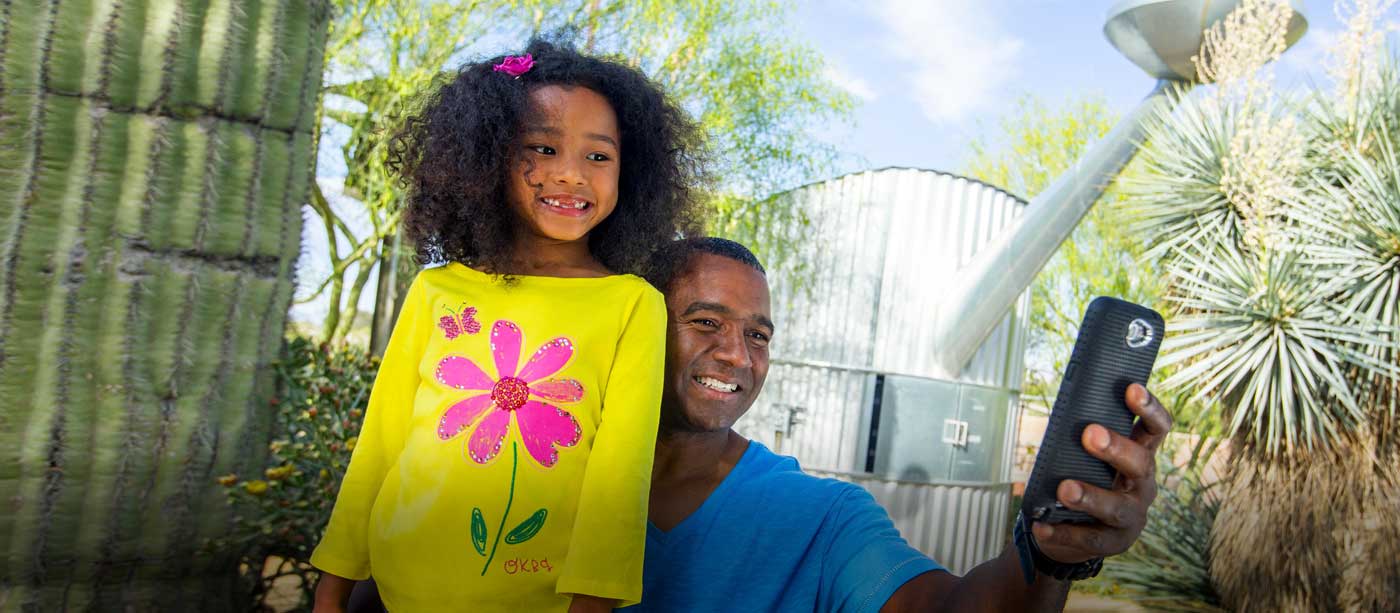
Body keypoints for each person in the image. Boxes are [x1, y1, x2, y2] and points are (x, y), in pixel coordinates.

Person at [310, 38, 703, 613]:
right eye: (542, 148)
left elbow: (618, 476)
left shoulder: (631, 305)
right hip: (390, 593)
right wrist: (332, 584)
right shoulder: (435, 290)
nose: (569, 175)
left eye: (598, 156)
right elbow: (380, 445)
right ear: (485, 158)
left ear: (631, 173)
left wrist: (593, 600)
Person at [629, 237, 1174, 612]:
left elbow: (944, 608)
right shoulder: (556, 468)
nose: (739, 357)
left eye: (758, 336)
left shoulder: (821, 520)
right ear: (640, 325)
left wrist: (1051, 556)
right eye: (706, 323)